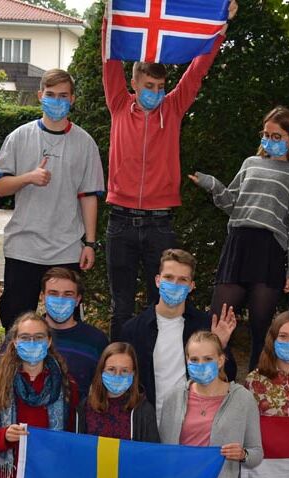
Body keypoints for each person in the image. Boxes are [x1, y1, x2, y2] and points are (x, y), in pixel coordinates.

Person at [100, 0, 238, 341]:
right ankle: (119, 372)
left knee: (158, 304)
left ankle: (153, 368)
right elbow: (109, 57)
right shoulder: (119, 104)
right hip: (120, 221)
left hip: (160, 223)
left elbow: (197, 70)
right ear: (134, 84)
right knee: (120, 306)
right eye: (149, 87)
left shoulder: (173, 109)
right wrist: (109, 18)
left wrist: (220, 28)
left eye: (161, 88)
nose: (156, 94)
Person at [192, 106, 289, 371]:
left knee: (261, 327)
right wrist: (212, 185)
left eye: (277, 135)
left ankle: (257, 387)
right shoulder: (250, 163)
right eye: (266, 134)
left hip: (269, 250)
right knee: (217, 321)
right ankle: (220, 378)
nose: (269, 140)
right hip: (238, 244)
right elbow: (232, 203)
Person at [0, 69, 105, 329]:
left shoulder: (85, 143)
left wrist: (89, 243)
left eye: (63, 96)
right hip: (24, 247)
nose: (57, 101)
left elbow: (89, 196)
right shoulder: (19, 137)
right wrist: (28, 177)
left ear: (72, 99)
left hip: (66, 248)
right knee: (17, 323)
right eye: (51, 95)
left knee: (67, 323)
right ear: (40, 95)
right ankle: (14, 369)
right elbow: (0, 187)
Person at [0, 313, 79, 478]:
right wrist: (4, 436)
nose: (32, 343)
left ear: (49, 341)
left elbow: (71, 440)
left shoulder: (67, 387)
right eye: (25, 337)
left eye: (39, 337)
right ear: (14, 341)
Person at [158, 331, 262, 478]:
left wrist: (242, 454)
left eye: (208, 358)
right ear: (187, 361)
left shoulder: (243, 399)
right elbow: (164, 450)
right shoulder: (173, 397)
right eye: (194, 359)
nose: (200, 365)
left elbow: (256, 454)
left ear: (221, 360)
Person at [120, 249, 237, 409]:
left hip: (192, 420)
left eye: (182, 279)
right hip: (148, 422)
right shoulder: (132, 329)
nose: (174, 284)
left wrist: (221, 346)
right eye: (169, 277)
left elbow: (229, 376)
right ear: (158, 280)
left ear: (191, 286)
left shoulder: (207, 326)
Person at [33, 267, 109, 399]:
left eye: (68, 294)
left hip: (79, 416)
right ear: (42, 297)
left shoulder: (95, 340)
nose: (60, 299)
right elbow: (0, 380)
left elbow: (105, 389)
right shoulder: (25, 335)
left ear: (78, 300)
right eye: (53, 293)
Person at [75, 342, 161, 442]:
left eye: (124, 371)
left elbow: (151, 453)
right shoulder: (85, 407)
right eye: (111, 369)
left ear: (133, 373)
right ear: (101, 370)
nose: (117, 375)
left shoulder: (144, 411)